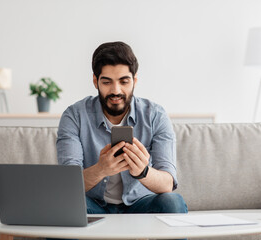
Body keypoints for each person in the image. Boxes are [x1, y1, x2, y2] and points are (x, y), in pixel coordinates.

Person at [56, 41, 187, 215]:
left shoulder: (155, 115)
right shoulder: (74, 116)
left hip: (141, 204)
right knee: (63, 202)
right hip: (94, 206)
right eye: (107, 82)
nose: (116, 90)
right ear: (95, 81)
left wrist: (143, 171)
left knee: (173, 202)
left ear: (135, 81)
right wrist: (101, 169)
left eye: (124, 81)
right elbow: (67, 185)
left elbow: (167, 183)